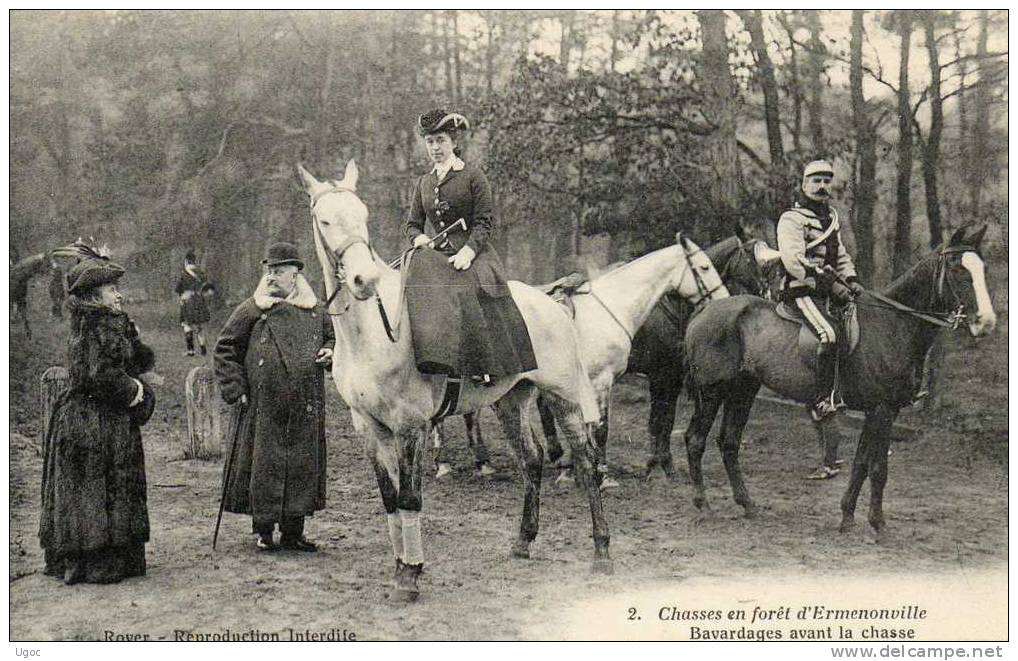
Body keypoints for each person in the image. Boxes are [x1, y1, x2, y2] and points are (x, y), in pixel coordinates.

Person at [38, 251, 156, 584]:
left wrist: (132, 336)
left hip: (98, 418)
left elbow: (135, 360)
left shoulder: (104, 323)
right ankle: (98, 561)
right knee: (97, 487)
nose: (119, 293)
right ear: (94, 296)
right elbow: (101, 375)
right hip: (92, 422)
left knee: (101, 487)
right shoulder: (98, 325)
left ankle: (98, 557)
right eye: (111, 288)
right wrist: (136, 391)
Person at [213, 242, 333, 552]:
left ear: (295, 274)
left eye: (279, 271)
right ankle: (263, 530)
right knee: (264, 464)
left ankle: (294, 531)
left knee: (301, 466)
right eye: (269, 271)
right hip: (262, 404)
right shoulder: (253, 308)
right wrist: (235, 388)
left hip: (305, 401)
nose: (272, 276)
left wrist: (330, 352)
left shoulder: (316, 310)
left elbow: (333, 339)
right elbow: (225, 347)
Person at [402, 108, 537, 383]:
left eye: (440, 140)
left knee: (465, 287)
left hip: (474, 254)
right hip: (438, 254)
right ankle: (433, 359)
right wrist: (419, 239)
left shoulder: (473, 176)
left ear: (453, 142)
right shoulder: (424, 183)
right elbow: (412, 224)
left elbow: (485, 222)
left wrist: (469, 250)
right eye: (430, 142)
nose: (435, 147)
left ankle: (482, 365)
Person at [776, 159, 865, 425]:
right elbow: (793, 260)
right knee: (828, 334)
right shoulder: (792, 219)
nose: (822, 186)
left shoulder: (830, 218)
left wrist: (850, 278)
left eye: (827, 181)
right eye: (816, 181)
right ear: (804, 185)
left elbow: (840, 256)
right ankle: (821, 400)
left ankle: (847, 391)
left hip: (828, 290)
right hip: (801, 289)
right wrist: (828, 285)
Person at [175, 250, 211, 356]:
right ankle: (203, 349)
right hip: (199, 301)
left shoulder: (183, 273)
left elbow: (178, 289)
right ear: (194, 261)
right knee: (200, 327)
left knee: (187, 325)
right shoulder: (201, 273)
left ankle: (191, 350)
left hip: (187, 301)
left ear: (186, 261)